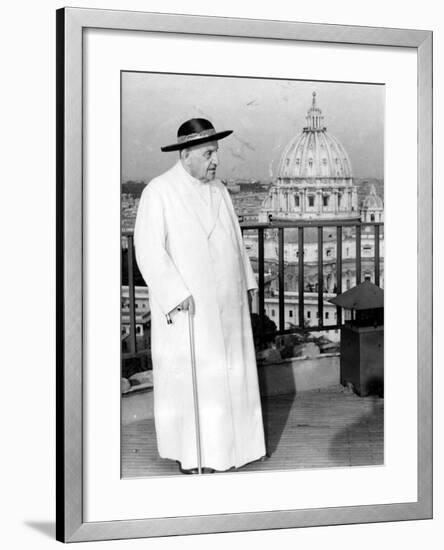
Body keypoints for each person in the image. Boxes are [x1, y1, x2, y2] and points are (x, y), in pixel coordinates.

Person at [134, 118, 266, 474]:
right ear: (186, 154)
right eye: (208, 154)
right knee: (196, 382)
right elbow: (147, 249)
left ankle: (236, 450)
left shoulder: (220, 190)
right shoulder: (158, 192)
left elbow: (236, 242)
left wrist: (247, 284)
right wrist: (175, 294)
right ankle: (195, 457)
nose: (215, 161)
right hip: (189, 308)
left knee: (231, 375)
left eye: (215, 154)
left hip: (229, 303)